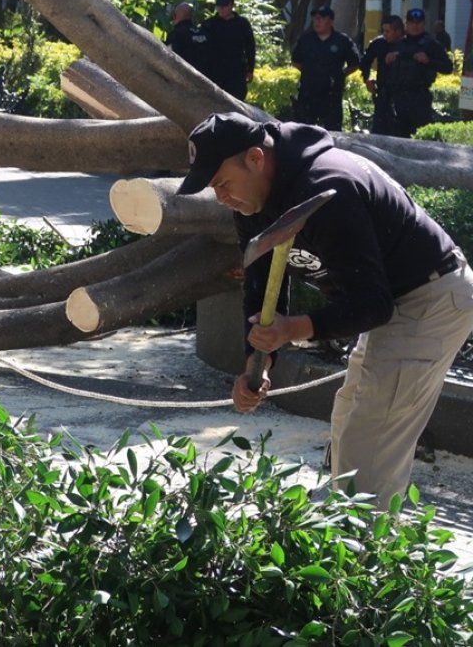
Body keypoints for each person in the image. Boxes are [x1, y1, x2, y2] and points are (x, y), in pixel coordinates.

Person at [176, 111, 473, 511]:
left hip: (429, 298)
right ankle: (344, 534)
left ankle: (363, 557)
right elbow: (263, 286)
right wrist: (258, 363)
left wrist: (293, 328)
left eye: (222, 183)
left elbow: (372, 303)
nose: (221, 197)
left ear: (255, 158)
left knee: (368, 444)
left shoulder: (330, 187)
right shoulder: (252, 204)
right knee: (347, 417)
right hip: (393, 300)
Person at [290, 5, 360, 130]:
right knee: (303, 130)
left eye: (321, 19)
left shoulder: (342, 41)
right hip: (308, 93)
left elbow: (355, 64)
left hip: (331, 94)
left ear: (331, 22)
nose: (317, 22)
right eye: (315, 19)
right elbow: (296, 61)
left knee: (333, 130)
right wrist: (310, 72)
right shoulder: (306, 39)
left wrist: (339, 75)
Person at [391, 7, 453, 136]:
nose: (415, 26)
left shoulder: (432, 44)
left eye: (418, 23)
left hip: (419, 98)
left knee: (419, 137)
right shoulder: (399, 43)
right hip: (399, 98)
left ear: (424, 24)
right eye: (412, 22)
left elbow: (448, 68)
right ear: (406, 24)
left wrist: (428, 61)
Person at [200, 0, 256, 100]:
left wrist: (250, 70)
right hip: (215, 72)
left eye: (224, 6)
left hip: (235, 73)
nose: (221, 9)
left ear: (232, 5)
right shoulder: (209, 24)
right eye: (219, 6)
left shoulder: (242, 24)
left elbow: (250, 47)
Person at [359, 14, 405, 136]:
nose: (385, 34)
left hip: (404, 95)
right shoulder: (379, 43)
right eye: (383, 31)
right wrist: (367, 79)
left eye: (388, 31)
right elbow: (365, 62)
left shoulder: (408, 45)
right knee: (379, 130)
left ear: (398, 31)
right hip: (383, 93)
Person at [168, 1, 210, 75]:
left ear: (175, 16)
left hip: (185, 77)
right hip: (206, 78)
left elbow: (168, 55)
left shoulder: (177, 34)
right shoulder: (203, 33)